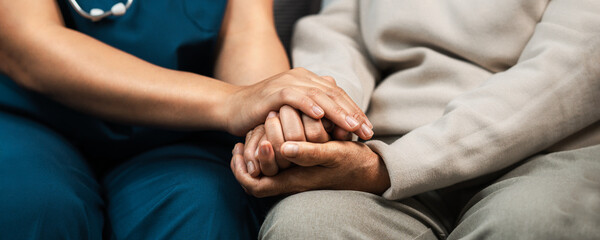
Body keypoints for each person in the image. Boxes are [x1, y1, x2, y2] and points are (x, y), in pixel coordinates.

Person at [0, 0, 373, 239]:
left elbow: (246, 32)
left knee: (202, 207)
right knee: (33, 205)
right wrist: (233, 101)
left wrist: (270, 124)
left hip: (174, 132)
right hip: (31, 119)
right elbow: (27, 45)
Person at [232, 0, 600, 239]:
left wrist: (387, 169)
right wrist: (319, 117)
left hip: (545, 152)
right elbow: (340, 37)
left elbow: (572, 69)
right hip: (382, 141)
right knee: (305, 228)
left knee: (529, 225)